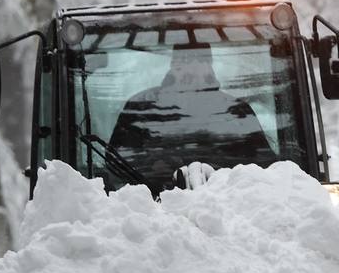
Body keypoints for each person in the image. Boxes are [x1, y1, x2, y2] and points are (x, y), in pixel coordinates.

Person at [107, 46, 275, 189]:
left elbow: (264, 168)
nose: (193, 69)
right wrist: (153, 166)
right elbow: (116, 164)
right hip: (152, 206)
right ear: (173, 65)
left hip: (229, 206)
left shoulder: (237, 111)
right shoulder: (142, 107)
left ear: (209, 67)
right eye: (185, 61)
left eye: (201, 61)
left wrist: (220, 173)